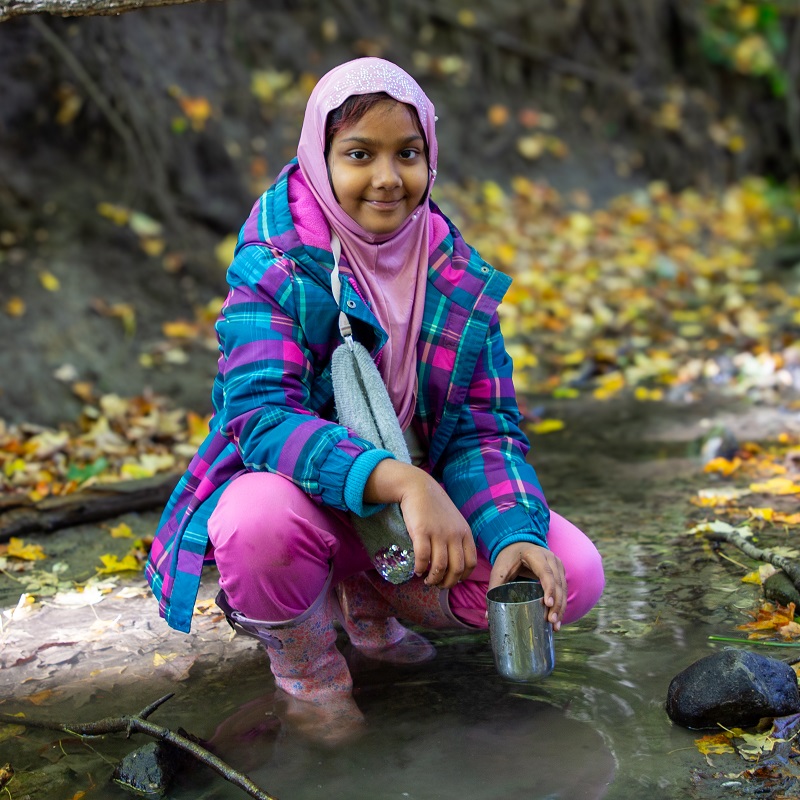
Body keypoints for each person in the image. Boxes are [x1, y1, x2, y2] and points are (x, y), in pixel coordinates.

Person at [145, 57, 604, 742]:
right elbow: (261, 419)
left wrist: (514, 534)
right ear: (318, 158)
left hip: (409, 516)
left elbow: (486, 430)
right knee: (254, 521)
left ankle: (369, 599)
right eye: (359, 154)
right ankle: (308, 670)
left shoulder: (455, 276)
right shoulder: (273, 264)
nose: (388, 178)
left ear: (431, 158)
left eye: (408, 154)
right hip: (307, 508)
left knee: (570, 572)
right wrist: (402, 481)